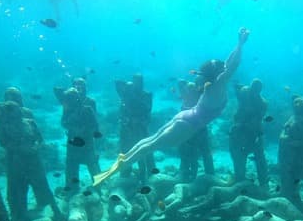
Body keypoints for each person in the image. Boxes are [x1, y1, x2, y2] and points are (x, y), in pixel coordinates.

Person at [93, 27, 250, 186]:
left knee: (149, 141)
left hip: (185, 116)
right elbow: (232, 65)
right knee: (151, 146)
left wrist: (239, 44)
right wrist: (240, 44)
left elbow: (228, 64)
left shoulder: (215, 84)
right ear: (218, 74)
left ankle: (124, 158)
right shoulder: (218, 86)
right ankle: (119, 167)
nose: (225, 68)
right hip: (188, 125)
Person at [0, 87, 63, 221]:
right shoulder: (3, 116)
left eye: (14, 97)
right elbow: (3, 140)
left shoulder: (27, 115)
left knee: (41, 184)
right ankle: (18, 216)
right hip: (14, 159)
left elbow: (37, 136)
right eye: (8, 97)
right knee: (16, 188)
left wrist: (34, 148)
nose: (11, 101)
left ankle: (53, 210)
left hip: (32, 157)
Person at [54, 77, 101, 189]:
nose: (78, 88)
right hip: (73, 139)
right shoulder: (68, 102)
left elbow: (94, 122)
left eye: (81, 86)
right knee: (71, 164)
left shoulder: (90, 102)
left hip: (87, 138)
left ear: (85, 88)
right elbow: (64, 122)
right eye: (76, 85)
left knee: (92, 163)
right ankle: (72, 189)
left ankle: (100, 186)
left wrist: (85, 129)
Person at [115, 74, 154, 182]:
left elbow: (147, 109)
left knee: (144, 151)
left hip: (140, 128)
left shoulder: (146, 95)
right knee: (125, 150)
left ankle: (149, 175)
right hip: (126, 128)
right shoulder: (126, 93)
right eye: (135, 81)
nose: (138, 84)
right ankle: (125, 175)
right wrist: (128, 86)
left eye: (139, 82)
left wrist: (134, 96)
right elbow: (117, 82)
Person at [229, 78, 268, 186]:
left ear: (259, 91)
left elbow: (258, 118)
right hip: (240, 131)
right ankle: (240, 181)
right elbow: (237, 89)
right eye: (253, 88)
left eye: (256, 89)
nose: (253, 91)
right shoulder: (244, 92)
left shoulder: (262, 103)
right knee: (238, 157)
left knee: (260, 158)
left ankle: (264, 184)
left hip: (254, 132)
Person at [177, 78, 215, 182]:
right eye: (190, 90)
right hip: (193, 131)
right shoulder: (192, 99)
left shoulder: (199, 100)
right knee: (193, 153)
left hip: (198, 131)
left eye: (192, 90)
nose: (191, 92)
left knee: (202, 153)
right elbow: (180, 83)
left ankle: (207, 175)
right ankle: (191, 175)